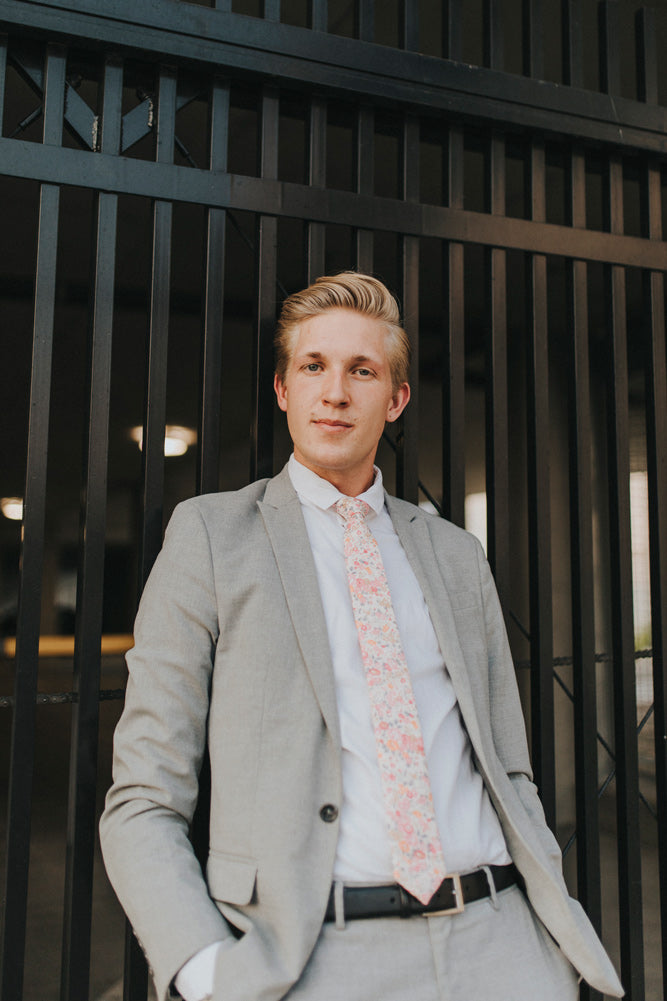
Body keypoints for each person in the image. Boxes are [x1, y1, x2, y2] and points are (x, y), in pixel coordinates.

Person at [100, 272, 623, 1001]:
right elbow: (145, 795)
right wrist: (202, 970)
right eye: (312, 366)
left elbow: (508, 767)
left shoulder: (452, 553)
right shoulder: (211, 537)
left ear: (395, 397)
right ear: (283, 389)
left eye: (361, 370)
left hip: (500, 942)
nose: (335, 391)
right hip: (318, 954)